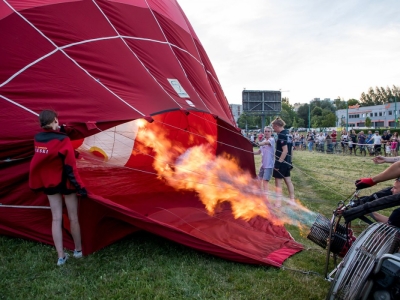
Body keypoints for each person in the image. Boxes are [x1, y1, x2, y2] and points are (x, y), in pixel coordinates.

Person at [29, 110, 87, 266]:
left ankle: (61, 257)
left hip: (49, 183)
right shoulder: (63, 140)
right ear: (55, 120)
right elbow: (70, 167)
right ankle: (78, 251)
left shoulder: (37, 139)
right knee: (73, 217)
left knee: (56, 218)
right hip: (65, 183)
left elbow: (50, 152)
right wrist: (81, 187)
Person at [271, 117, 295, 203]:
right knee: (288, 181)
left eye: (273, 127)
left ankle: (278, 203)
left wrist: (278, 163)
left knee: (278, 182)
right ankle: (292, 201)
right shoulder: (288, 134)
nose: (273, 129)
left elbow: (285, 150)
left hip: (281, 163)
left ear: (277, 126)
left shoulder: (281, 135)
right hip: (287, 162)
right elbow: (291, 150)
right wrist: (290, 161)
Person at [254, 126, 275, 191]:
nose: (267, 133)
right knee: (259, 180)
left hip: (269, 166)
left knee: (265, 182)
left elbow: (266, 143)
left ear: (271, 132)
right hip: (262, 165)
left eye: (268, 131)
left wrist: (258, 143)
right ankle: (260, 195)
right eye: (265, 131)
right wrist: (249, 152)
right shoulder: (263, 140)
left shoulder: (272, 140)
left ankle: (266, 197)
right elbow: (258, 152)